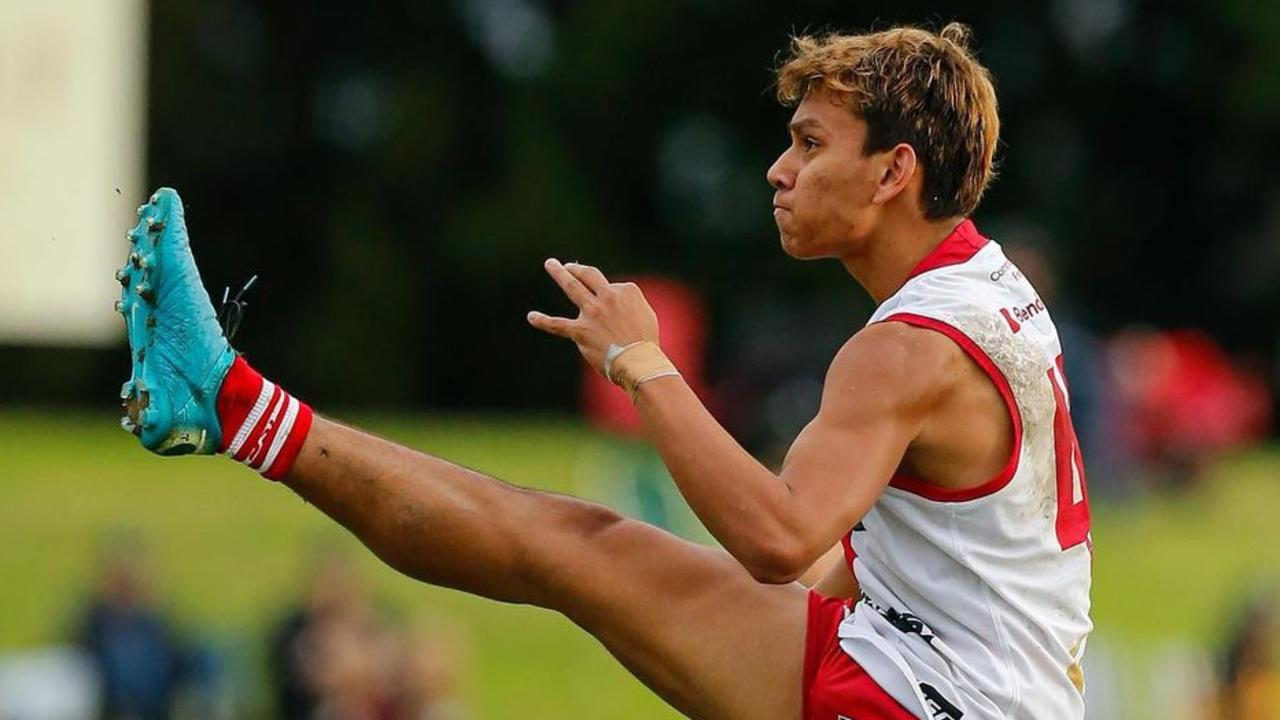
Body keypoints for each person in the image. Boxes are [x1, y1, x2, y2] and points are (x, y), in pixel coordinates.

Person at [114, 22, 1091, 719]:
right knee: (578, 546)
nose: (775, 170)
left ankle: (230, 404)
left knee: (574, 551)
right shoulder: (983, 287)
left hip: (933, 695)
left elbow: (780, 540)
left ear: (892, 173)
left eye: (807, 143)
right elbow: (914, 551)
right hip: (949, 670)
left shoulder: (905, 347)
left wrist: (644, 365)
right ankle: (230, 402)